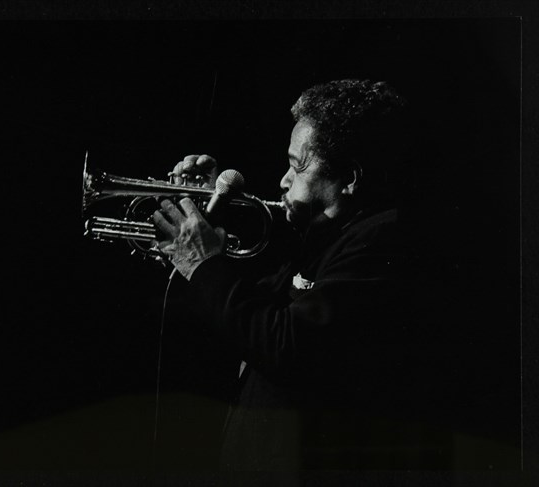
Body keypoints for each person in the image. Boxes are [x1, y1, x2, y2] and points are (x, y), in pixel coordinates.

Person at [152, 79, 446, 473]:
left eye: (297, 165)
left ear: (351, 178)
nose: (283, 181)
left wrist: (204, 262)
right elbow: (252, 314)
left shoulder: (383, 240)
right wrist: (212, 216)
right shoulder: (327, 238)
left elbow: (287, 344)